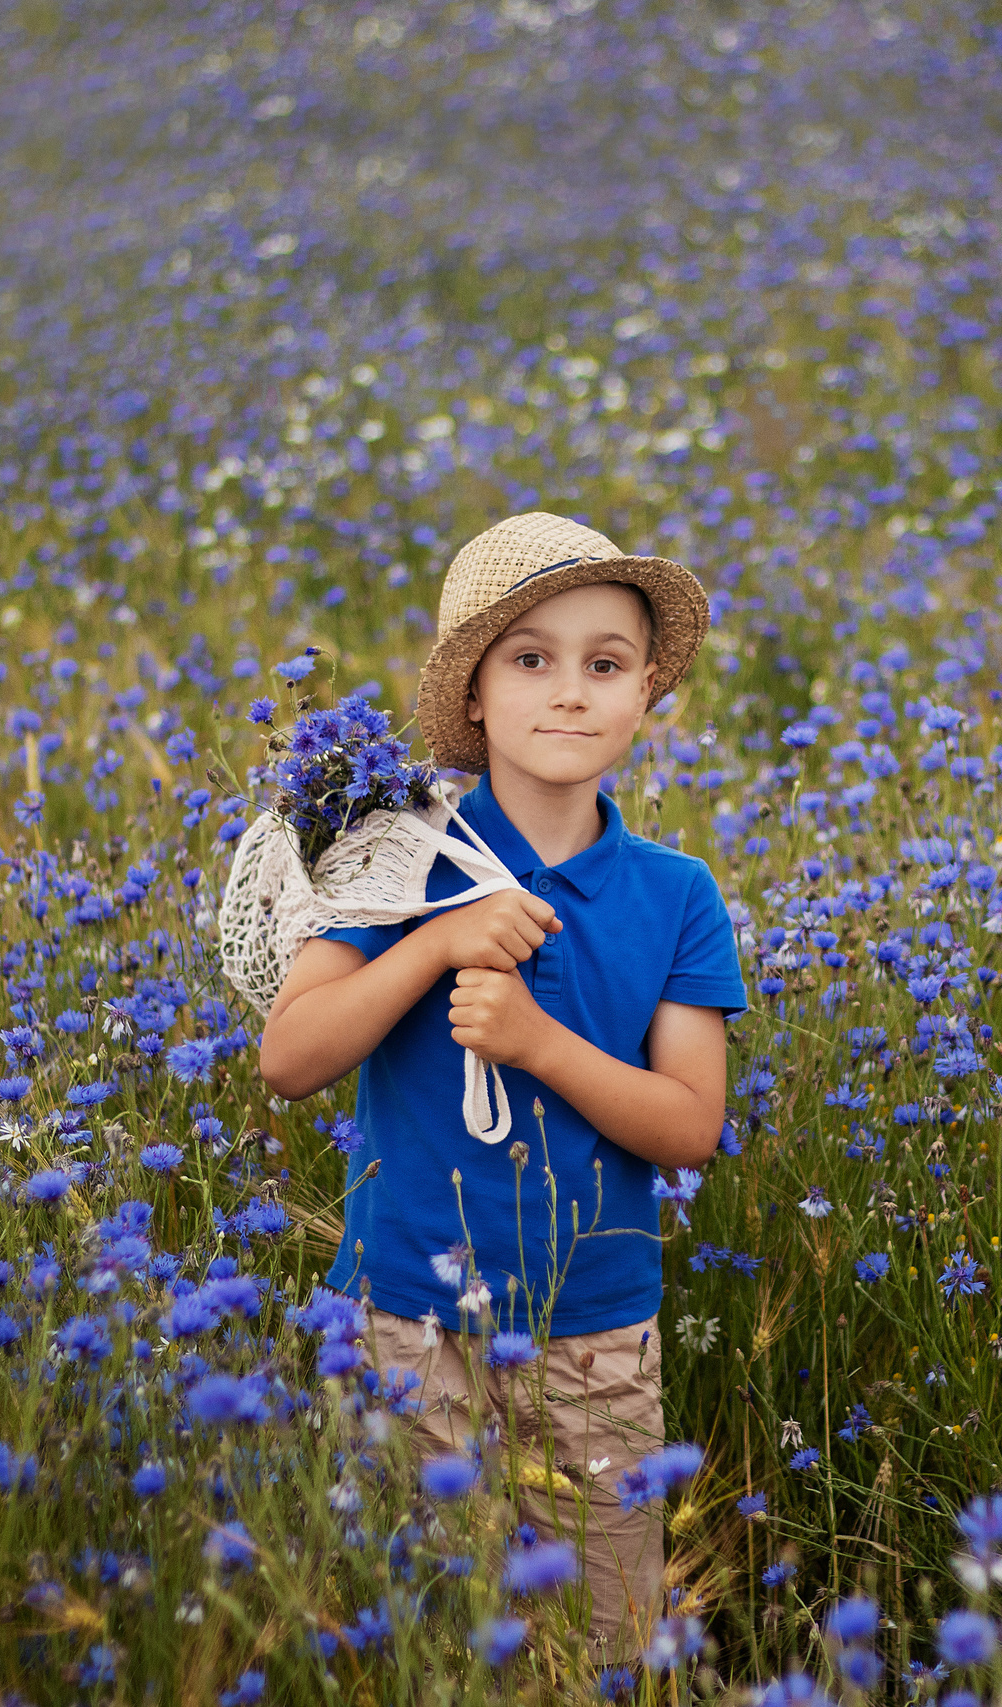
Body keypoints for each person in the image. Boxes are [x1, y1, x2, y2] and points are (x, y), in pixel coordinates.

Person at [256, 511, 745, 1657]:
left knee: (608, 1644)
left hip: (596, 1336)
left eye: (604, 665)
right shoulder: (393, 855)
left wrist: (534, 1042)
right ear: (473, 695)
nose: (569, 692)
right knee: (429, 1642)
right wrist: (434, 943)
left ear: (642, 697)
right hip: (404, 1325)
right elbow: (290, 1058)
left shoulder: (677, 893)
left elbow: (688, 1128)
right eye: (531, 659)